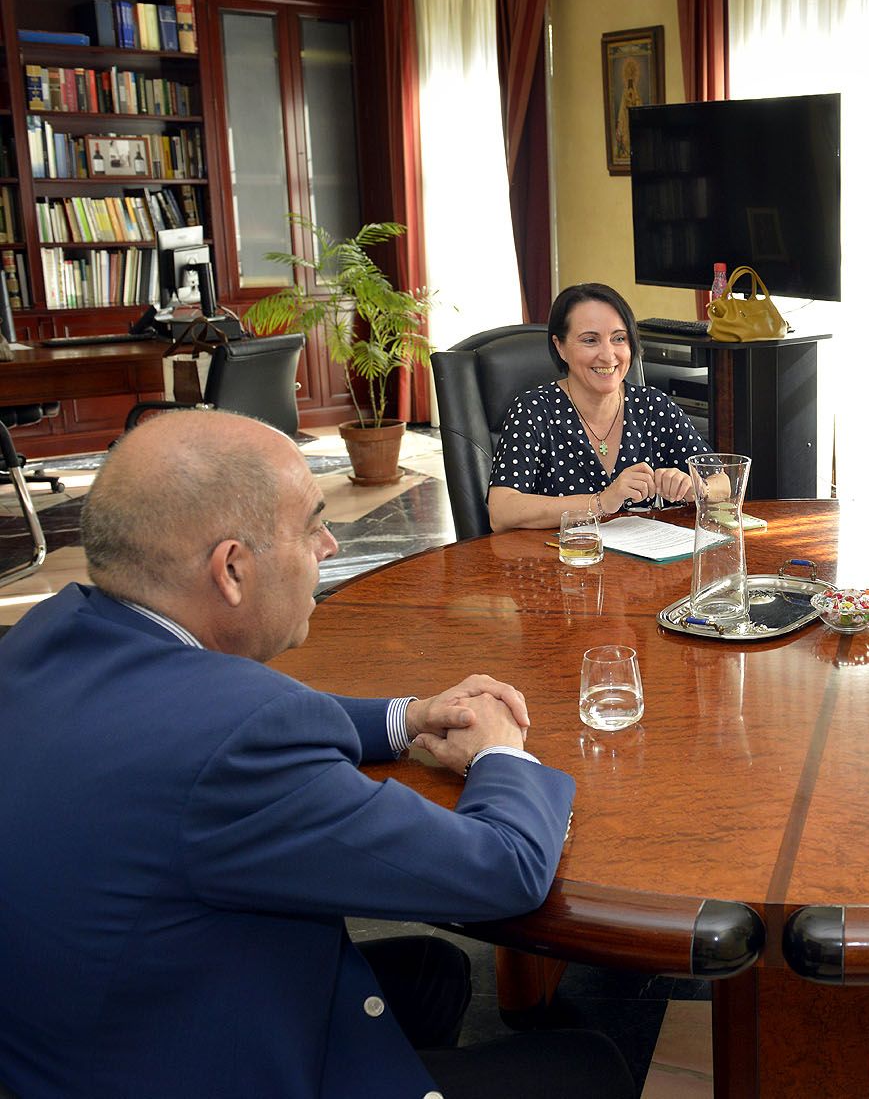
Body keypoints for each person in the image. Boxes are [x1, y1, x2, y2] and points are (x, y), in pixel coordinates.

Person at [0, 411, 634, 1099]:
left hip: (92, 1033)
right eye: (311, 526)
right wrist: (502, 754)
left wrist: (409, 717)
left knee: (434, 971)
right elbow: (506, 869)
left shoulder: (46, 632)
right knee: (590, 1068)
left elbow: (242, 720)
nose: (331, 544)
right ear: (233, 569)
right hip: (205, 1065)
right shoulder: (237, 739)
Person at [487, 282, 709, 531]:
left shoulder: (654, 406)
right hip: (564, 561)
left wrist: (694, 487)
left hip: (645, 564)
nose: (608, 354)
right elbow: (502, 511)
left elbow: (725, 480)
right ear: (560, 347)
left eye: (619, 339)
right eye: (590, 340)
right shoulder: (533, 410)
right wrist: (602, 502)